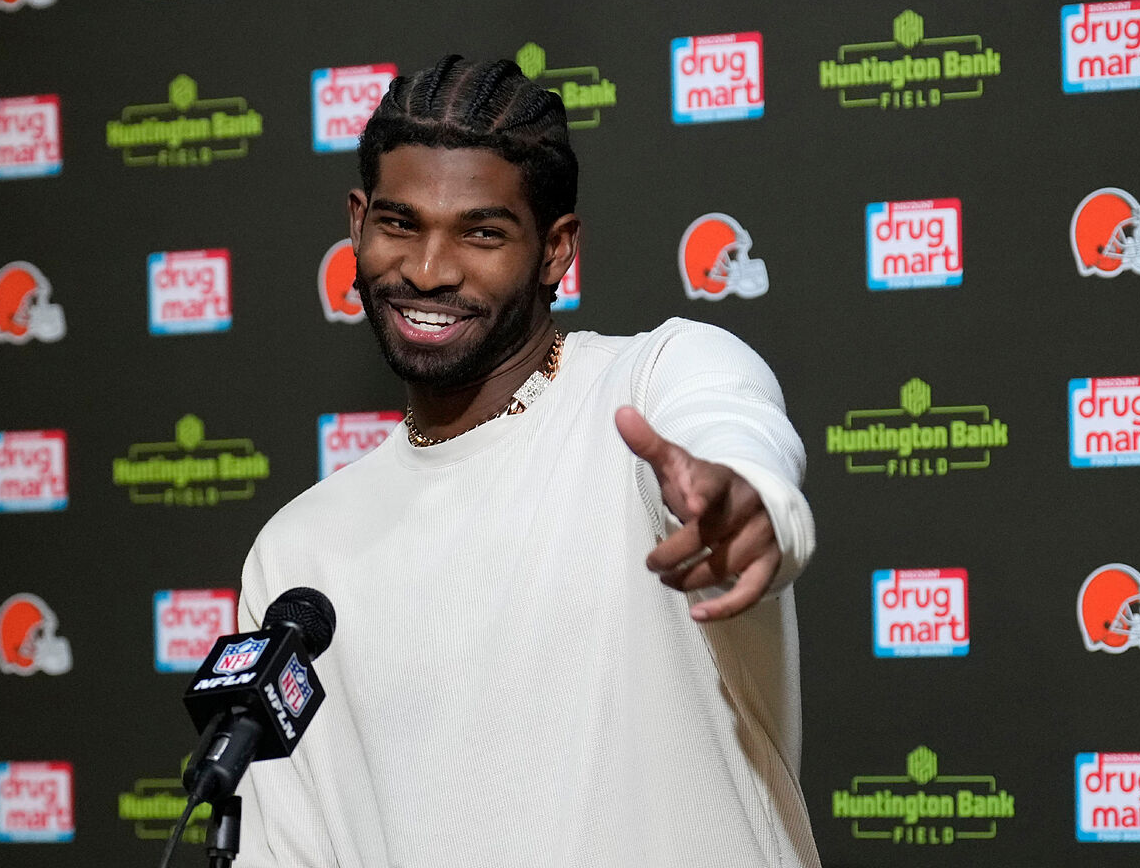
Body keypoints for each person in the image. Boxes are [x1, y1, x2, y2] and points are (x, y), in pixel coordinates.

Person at [235, 55, 819, 867]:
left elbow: (734, 437)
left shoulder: (651, 386)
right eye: (400, 223)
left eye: (481, 232)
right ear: (358, 222)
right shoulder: (299, 556)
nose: (429, 270)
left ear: (556, 250)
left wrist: (745, 507)